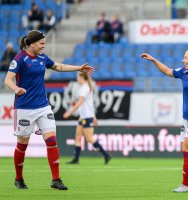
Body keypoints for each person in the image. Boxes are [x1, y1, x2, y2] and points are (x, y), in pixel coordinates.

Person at [4, 30, 94, 190]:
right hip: (24, 108)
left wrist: (79, 68)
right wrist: (16, 88)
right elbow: (8, 80)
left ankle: (56, 179)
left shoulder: (42, 58)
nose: (44, 46)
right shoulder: (20, 59)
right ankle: (18, 178)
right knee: (22, 144)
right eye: (41, 43)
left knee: (52, 141)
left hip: (43, 106)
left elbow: (59, 66)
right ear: (32, 44)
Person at [141, 48, 188, 193]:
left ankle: (184, 186)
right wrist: (153, 60)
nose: (183, 60)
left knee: (187, 149)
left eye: (186, 57)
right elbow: (167, 71)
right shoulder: (184, 72)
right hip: (186, 118)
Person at [63, 72, 112, 165]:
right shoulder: (85, 87)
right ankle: (76, 159)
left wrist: (70, 112)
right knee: (78, 137)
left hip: (86, 117)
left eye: (78, 76)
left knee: (89, 138)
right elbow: (90, 104)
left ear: (82, 77)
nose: (77, 78)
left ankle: (106, 155)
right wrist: (94, 116)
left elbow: (80, 102)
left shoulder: (84, 88)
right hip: (83, 117)